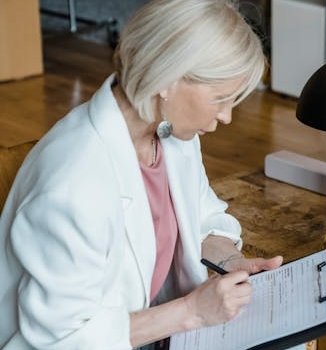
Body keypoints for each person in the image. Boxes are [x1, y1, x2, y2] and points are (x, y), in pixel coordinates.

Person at [0, 0, 284, 348]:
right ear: (167, 77)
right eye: (221, 97)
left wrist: (234, 264)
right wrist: (193, 311)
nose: (226, 116)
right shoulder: (74, 185)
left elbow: (199, 218)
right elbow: (62, 338)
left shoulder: (169, 132)